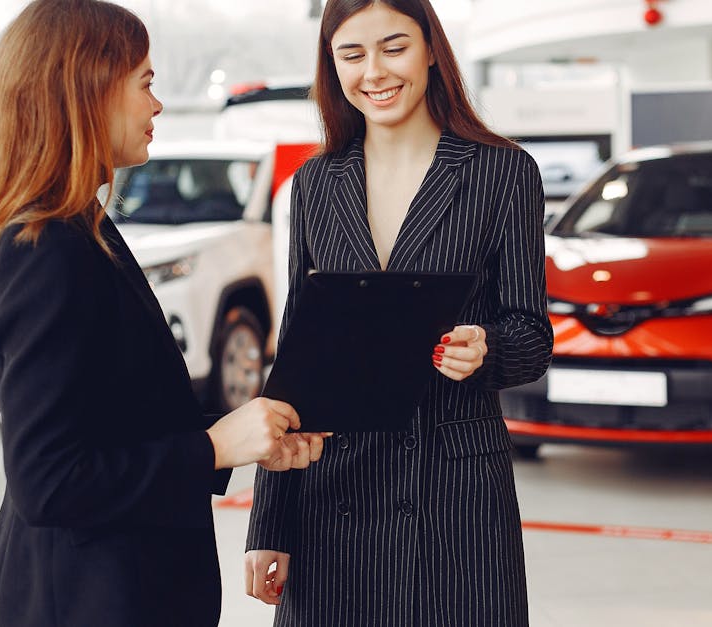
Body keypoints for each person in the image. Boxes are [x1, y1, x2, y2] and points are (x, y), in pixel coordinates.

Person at [0, 2, 325, 625]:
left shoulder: (82, 229)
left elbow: (115, 418)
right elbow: (49, 480)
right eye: (145, 84)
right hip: (86, 599)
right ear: (86, 91)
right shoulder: (45, 250)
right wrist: (212, 447)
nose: (157, 105)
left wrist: (242, 438)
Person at [244, 1, 552, 625]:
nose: (374, 72)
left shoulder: (502, 172)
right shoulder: (315, 184)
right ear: (332, 65)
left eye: (394, 47)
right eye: (352, 55)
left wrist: (487, 348)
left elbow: (533, 335)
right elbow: (299, 359)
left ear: (431, 49)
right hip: (334, 495)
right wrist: (270, 521)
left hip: (457, 498)